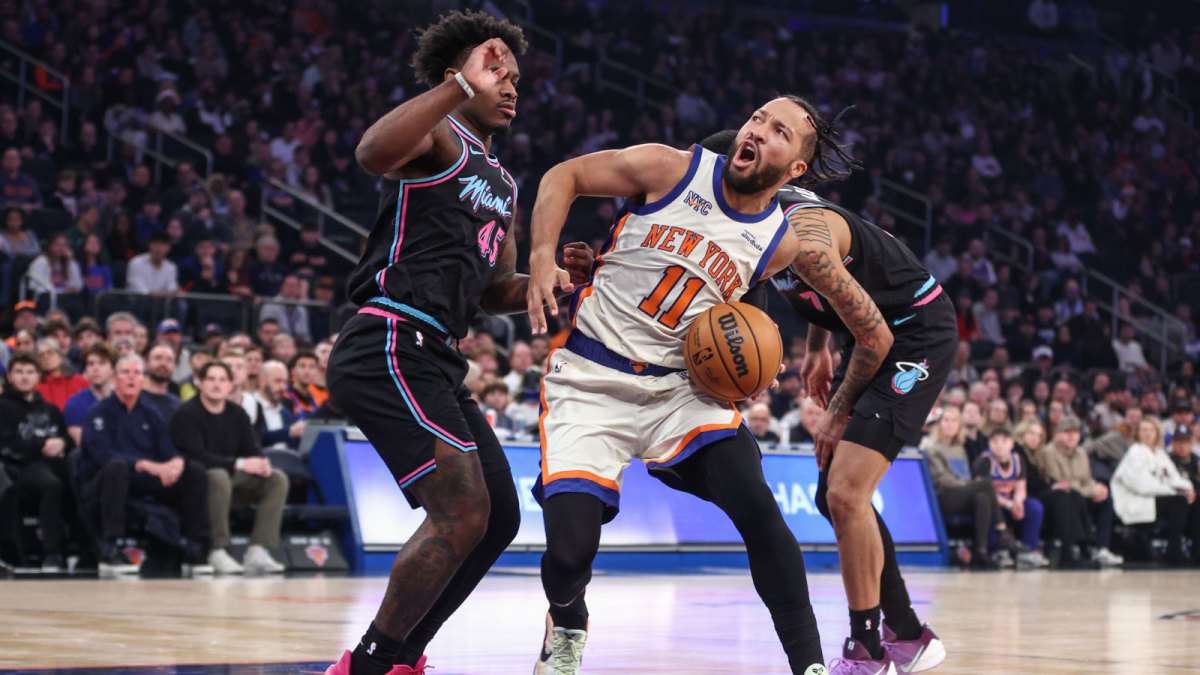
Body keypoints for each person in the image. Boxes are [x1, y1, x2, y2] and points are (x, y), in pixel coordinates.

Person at [323, 12, 590, 675]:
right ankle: (367, 665)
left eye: (516, 78)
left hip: (435, 352)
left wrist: (550, 276)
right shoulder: (436, 135)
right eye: (496, 70)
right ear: (459, 74)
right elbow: (370, 152)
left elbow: (493, 288)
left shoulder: (504, 183)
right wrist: (454, 90)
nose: (511, 86)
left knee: (497, 514)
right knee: (461, 507)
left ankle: (402, 656)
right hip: (386, 335)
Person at [524, 99, 831, 674]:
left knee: (760, 511)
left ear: (795, 170)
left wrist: (763, 365)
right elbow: (562, 175)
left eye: (779, 131)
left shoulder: (779, 241)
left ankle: (809, 665)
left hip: (681, 393)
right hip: (593, 378)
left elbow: (746, 303)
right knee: (568, 557)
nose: (758, 130)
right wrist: (543, 257)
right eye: (759, 118)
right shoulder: (670, 169)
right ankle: (567, 621)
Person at [697, 127, 954, 671]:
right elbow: (821, 295)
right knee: (831, 494)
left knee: (844, 492)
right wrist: (817, 346)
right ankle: (909, 632)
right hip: (863, 331)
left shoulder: (801, 231)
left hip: (913, 335)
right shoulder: (754, 226)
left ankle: (868, 650)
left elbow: (876, 334)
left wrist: (836, 412)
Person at [80, 354, 210, 575]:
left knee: (195, 472)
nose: (131, 378)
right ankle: (112, 546)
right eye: (125, 373)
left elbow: (168, 450)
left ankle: (194, 545)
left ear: (143, 380)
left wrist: (176, 463)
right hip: (104, 486)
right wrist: (148, 466)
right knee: (117, 466)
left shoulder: (151, 413)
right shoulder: (99, 413)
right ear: (114, 378)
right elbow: (103, 456)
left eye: (136, 373)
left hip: (144, 483)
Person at [169, 360, 288, 575]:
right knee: (217, 475)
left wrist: (261, 462)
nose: (217, 384)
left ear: (231, 384)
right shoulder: (186, 414)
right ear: (200, 383)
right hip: (196, 487)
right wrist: (240, 463)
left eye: (222, 379)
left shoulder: (237, 414)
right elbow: (196, 456)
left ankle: (258, 550)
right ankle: (217, 549)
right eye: (211, 379)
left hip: (232, 484)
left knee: (277, 478)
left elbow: (252, 446)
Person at [0, 353, 73, 570]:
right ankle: (51, 553)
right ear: (10, 377)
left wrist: (62, 443)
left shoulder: (49, 408)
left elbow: (66, 437)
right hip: (20, 467)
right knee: (50, 484)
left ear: (38, 376)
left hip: (53, 464)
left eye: (30, 372)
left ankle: (84, 548)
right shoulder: (3, 407)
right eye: (19, 372)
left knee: (78, 478)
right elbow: (6, 444)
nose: (24, 377)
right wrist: (42, 445)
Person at [920, 406, 1012, 569]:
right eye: (946, 420)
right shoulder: (931, 447)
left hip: (962, 493)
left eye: (954, 421)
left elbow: (966, 477)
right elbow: (942, 480)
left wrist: (968, 485)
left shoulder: (960, 448)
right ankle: (1001, 529)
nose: (949, 424)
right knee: (985, 484)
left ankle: (981, 553)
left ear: (959, 425)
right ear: (939, 424)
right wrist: (969, 485)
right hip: (943, 497)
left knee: (982, 498)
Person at [1033, 416, 1124, 567]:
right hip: (1061, 498)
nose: (1072, 436)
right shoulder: (1048, 452)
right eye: (1067, 432)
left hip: (1079, 493)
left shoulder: (1081, 453)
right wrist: (1090, 490)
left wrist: (1096, 488)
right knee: (1072, 497)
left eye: (1075, 433)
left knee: (1105, 499)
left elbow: (1086, 479)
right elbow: (1060, 481)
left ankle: (1102, 548)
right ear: (1058, 434)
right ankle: (1083, 546)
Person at [1111, 419, 1195, 564]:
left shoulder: (1159, 453)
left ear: (1157, 433)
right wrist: (1172, 491)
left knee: (1191, 501)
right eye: (1143, 430)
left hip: (1155, 497)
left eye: (1151, 430)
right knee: (1178, 502)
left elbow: (1173, 476)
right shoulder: (1135, 452)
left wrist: (1188, 486)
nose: (1148, 434)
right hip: (1137, 500)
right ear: (1137, 433)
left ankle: (1194, 551)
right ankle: (1173, 551)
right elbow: (1141, 485)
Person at [973, 427, 1050, 568]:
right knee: (988, 507)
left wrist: (1018, 502)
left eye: (1004, 441)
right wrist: (1010, 505)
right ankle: (997, 551)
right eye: (995, 442)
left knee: (1034, 507)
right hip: (994, 503)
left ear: (1011, 444)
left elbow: (1021, 487)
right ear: (989, 444)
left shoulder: (1017, 459)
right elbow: (983, 490)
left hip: (1011, 502)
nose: (999, 445)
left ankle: (1027, 550)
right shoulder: (984, 461)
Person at [63, 344, 117, 446]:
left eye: (102, 363)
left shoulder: (125, 400)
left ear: (112, 369)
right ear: (85, 370)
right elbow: (83, 444)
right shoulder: (75, 403)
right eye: (91, 364)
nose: (95, 368)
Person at [248, 360, 305, 451]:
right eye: (278, 381)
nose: (283, 387)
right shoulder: (249, 406)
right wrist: (289, 432)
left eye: (285, 382)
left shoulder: (285, 412)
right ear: (262, 382)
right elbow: (255, 438)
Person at [1167, 424, 1200, 565]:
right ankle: (1173, 551)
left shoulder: (1196, 460)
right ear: (1172, 443)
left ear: (1191, 443)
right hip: (1174, 501)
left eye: (1185, 442)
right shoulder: (1167, 460)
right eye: (1178, 442)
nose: (1182, 446)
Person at [33, 339, 88, 411]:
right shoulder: (35, 386)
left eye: (50, 352)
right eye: (41, 355)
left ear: (60, 356)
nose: (46, 357)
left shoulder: (81, 382)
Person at [125, 231, 179, 295]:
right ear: (149, 245)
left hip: (161, 304)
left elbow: (172, 290)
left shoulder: (171, 267)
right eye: (156, 244)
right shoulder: (135, 263)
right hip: (137, 303)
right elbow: (138, 289)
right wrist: (162, 294)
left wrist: (168, 293)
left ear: (168, 248)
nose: (159, 248)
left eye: (163, 244)